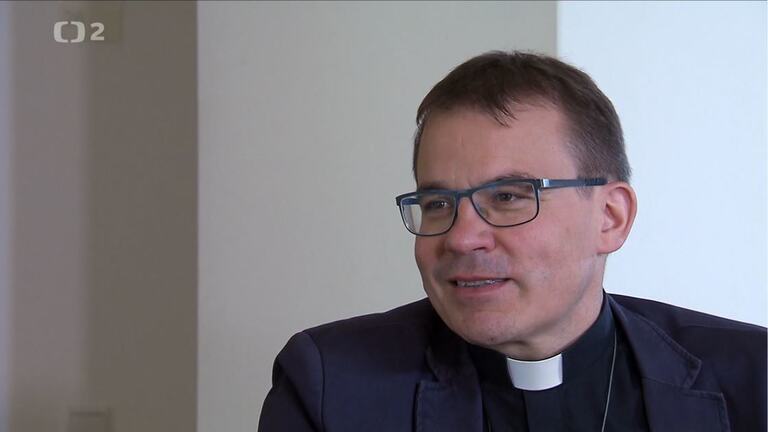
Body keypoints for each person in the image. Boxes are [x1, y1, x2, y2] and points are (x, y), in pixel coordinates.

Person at [258, 51, 766, 431]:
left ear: (610, 218)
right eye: (438, 203)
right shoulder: (330, 386)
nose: (462, 238)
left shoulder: (754, 378)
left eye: (507, 197)